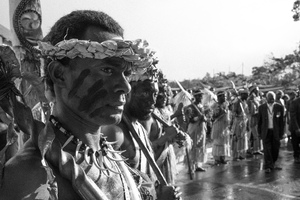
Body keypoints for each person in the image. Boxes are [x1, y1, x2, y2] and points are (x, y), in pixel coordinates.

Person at [0, 10, 179, 200]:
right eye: (107, 70)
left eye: (126, 74)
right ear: (59, 74)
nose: (125, 87)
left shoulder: (110, 155)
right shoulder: (31, 175)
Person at [101, 63, 182, 198]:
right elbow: (106, 192)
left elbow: (145, 171)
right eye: (145, 93)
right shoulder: (114, 132)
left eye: (154, 94)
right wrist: (158, 196)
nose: (152, 101)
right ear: (127, 91)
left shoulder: (139, 127)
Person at [258, 91, 284, 173]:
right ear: (266, 98)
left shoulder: (279, 107)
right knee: (267, 149)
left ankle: (273, 163)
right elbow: (260, 121)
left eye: (273, 98)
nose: (272, 100)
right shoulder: (261, 107)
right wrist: (259, 133)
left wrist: (282, 133)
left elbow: (281, 122)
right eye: (270, 98)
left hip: (275, 131)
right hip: (266, 131)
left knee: (275, 149)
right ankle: (268, 166)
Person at [185, 89, 207, 172]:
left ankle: (198, 165)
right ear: (196, 96)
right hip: (193, 128)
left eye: (201, 95)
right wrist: (198, 118)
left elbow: (204, 116)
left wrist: (204, 118)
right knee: (193, 147)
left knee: (200, 146)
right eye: (200, 95)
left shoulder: (201, 106)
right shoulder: (190, 107)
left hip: (201, 128)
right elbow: (189, 120)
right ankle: (191, 166)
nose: (201, 97)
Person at [210, 91, 231, 165]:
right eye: (223, 96)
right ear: (219, 97)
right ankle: (217, 159)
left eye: (225, 96)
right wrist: (220, 111)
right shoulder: (215, 106)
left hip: (225, 126)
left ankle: (223, 157)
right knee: (218, 141)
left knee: (224, 141)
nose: (225, 97)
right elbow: (213, 117)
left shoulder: (226, 104)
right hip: (218, 125)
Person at [231, 88, 249, 161]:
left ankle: (241, 153)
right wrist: (237, 116)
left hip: (244, 121)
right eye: (246, 94)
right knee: (237, 138)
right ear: (242, 94)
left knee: (242, 137)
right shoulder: (237, 101)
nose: (247, 96)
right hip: (238, 122)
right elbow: (233, 112)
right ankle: (236, 155)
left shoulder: (244, 101)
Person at [247, 85, 263, 155]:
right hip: (253, 119)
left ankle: (257, 148)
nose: (257, 91)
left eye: (258, 90)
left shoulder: (258, 98)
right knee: (254, 135)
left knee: (257, 134)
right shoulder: (250, 100)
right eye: (256, 90)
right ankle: (253, 149)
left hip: (258, 118)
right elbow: (250, 111)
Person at [288, 93, 300, 164]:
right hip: (296, 127)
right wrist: (297, 128)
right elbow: (293, 116)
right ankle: (296, 156)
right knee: (296, 143)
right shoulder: (294, 102)